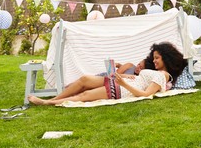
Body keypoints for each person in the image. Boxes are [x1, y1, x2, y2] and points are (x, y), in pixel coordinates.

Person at [28, 42, 187, 106]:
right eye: (155, 58)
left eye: (157, 58)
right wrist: (125, 76)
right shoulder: (157, 72)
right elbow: (141, 81)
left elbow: (145, 94)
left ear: (167, 59)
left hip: (122, 90)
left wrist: (124, 83)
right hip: (123, 83)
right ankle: (54, 99)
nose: (155, 61)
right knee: (84, 80)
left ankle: (46, 103)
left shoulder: (162, 76)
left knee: (85, 95)